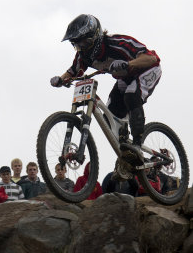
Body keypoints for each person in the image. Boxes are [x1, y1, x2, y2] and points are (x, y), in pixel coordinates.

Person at [50, 14, 161, 166]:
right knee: (109, 120)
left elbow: (152, 58)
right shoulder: (84, 56)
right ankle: (127, 152)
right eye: (77, 44)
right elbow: (73, 71)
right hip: (125, 78)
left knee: (131, 96)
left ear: (95, 36)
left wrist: (128, 64)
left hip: (148, 70)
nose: (81, 47)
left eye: (84, 42)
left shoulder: (119, 43)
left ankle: (136, 145)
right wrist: (61, 79)